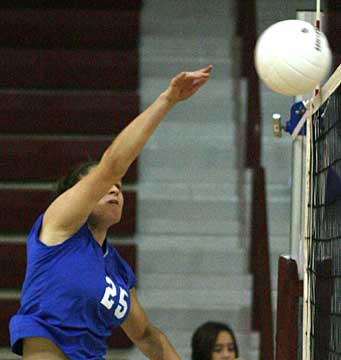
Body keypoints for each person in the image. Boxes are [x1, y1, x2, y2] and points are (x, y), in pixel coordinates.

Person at [9, 65, 213, 360]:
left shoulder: (116, 271)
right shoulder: (59, 227)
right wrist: (167, 100)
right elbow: (112, 165)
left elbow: (147, 336)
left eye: (119, 186)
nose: (115, 189)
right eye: (104, 186)